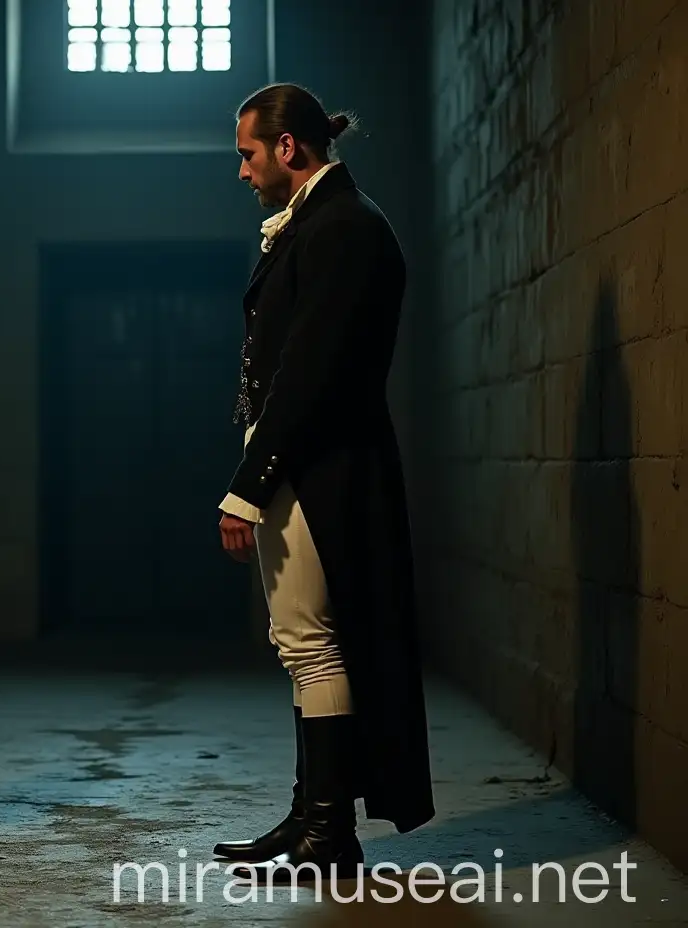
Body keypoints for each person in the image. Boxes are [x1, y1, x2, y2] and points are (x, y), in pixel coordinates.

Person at [211, 83, 435, 881]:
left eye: (246, 154)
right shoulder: (323, 223)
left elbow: (309, 376)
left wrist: (248, 484)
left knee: (312, 643)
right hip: (305, 461)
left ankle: (329, 832)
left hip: (319, 465)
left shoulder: (343, 228)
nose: (241, 172)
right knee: (301, 641)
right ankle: (314, 815)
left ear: (287, 149)